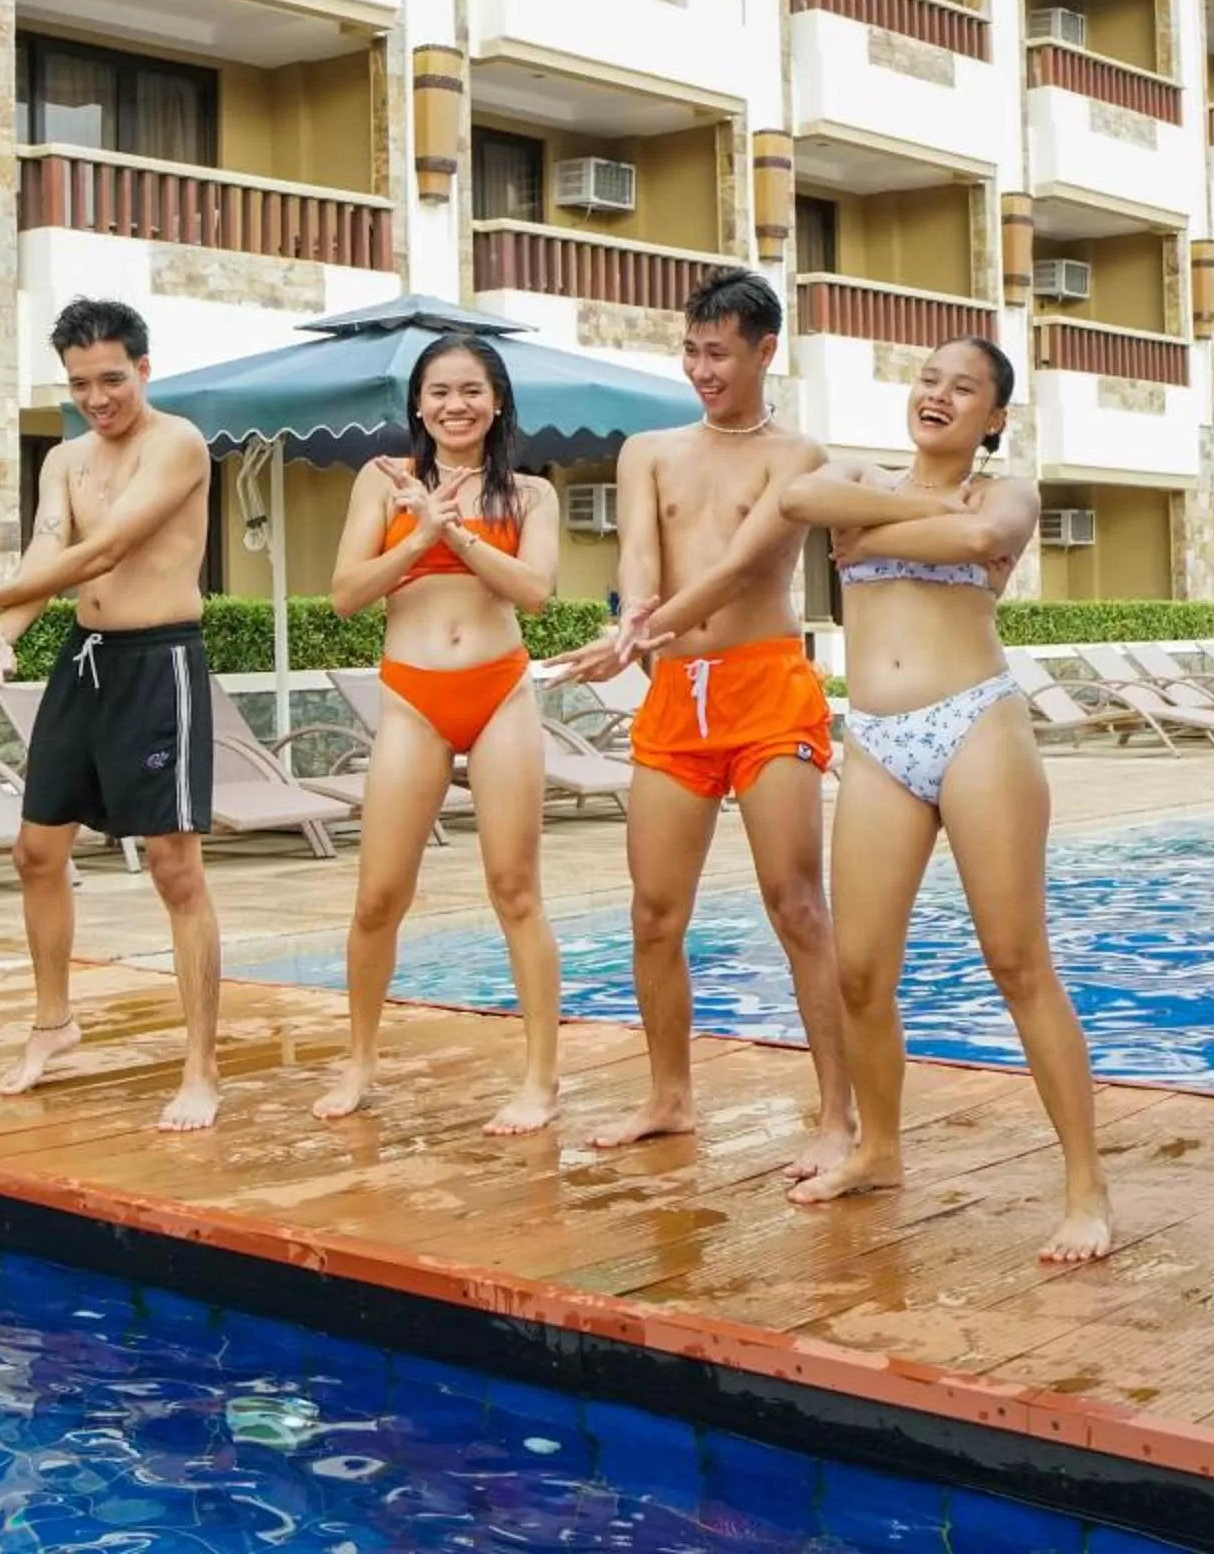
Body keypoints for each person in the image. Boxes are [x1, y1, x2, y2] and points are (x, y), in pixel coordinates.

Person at [777, 336, 1113, 1264]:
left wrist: (870, 531)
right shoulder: (855, 470)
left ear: (993, 417)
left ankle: (1087, 1189)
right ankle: (879, 1148)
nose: (939, 395)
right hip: (878, 739)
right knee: (857, 969)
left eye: (964, 389)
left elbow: (978, 539)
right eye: (928, 379)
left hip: (975, 726)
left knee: (1015, 960)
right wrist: (908, 509)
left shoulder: (1006, 493)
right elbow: (799, 500)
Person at [0, 297, 224, 1128]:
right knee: (35, 852)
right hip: (86, 662)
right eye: (80, 384)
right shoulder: (64, 459)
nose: (97, 397)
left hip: (159, 664)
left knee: (173, 869)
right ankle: (54, 1023)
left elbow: (108, 549)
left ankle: (202, 1069)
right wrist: (3, 631)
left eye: (112, 379)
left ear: (144, 369)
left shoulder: (176, 444)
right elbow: (51, 549)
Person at [554, 268, 854, 1179]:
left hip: (767, 687)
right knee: (652, 912)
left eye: (718, 353)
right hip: (677, 696)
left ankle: (838, 1113)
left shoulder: (799, 457)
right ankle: (669, 1096)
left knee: (796, 905)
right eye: (690, 351)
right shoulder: (647, 449)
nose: (701, 370)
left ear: (766, 352)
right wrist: (627, 625)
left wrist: (644, 628)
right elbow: (639, 562)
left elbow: (736, 569)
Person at [313, 333, 565, 1135]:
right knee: (379, 894)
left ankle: (539, 1077)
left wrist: (453, 531)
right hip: (413, 699)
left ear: (497, 402)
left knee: (515, 889)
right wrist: (418, 534)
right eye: (439, 391)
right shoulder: (381, 483)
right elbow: (346, 595)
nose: (455, 405)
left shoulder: (530, 495)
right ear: (417, 405)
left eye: (472, 390)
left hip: (500, 695)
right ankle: (358, 1059)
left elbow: (534, 592)